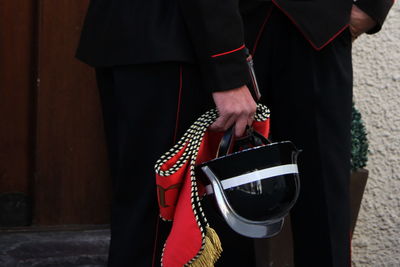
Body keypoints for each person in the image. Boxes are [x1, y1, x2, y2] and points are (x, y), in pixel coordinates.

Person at [76, 0, 393, 266]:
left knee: (323, 212)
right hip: (185, 28)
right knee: (176, 214)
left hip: (313, 23)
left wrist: (371, 5)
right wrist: (226, 68)